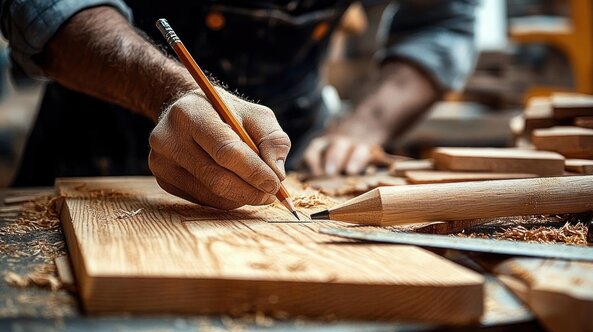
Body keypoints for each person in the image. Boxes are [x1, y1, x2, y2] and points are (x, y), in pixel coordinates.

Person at [1, 0, 477, 210]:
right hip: (96, 140)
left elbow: (442, 23)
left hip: (297, 154)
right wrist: (167, 90)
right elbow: (45, 6)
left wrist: (364, 125)